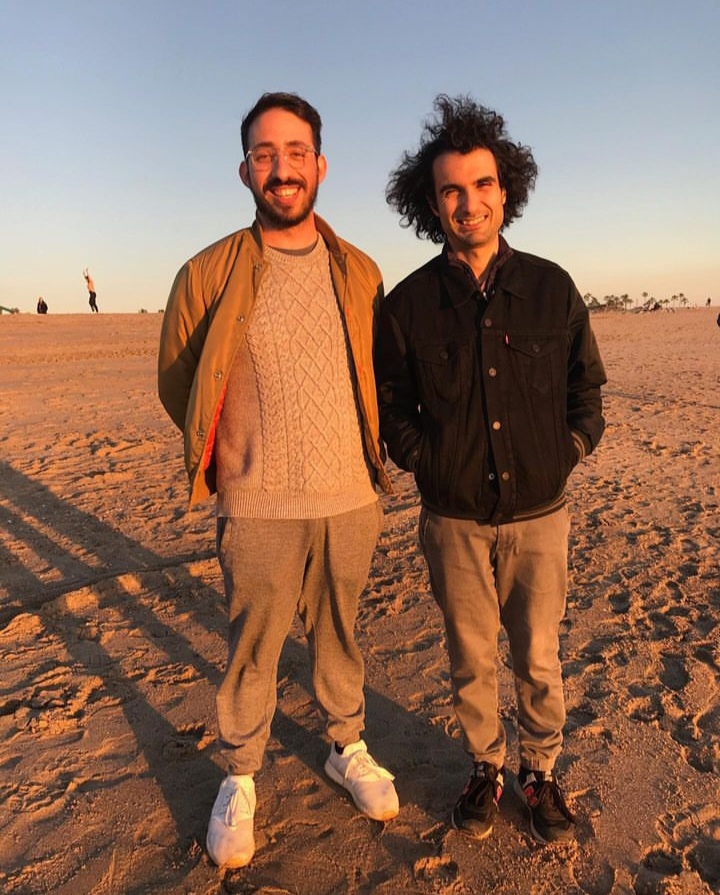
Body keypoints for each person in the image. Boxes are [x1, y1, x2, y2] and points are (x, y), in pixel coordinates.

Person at [158, 92, 399, 869]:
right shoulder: (206, 272)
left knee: (340, 631)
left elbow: (378, 371)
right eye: (265, 154)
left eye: (296, 152)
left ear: (320, 165)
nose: (281, 168)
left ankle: (346, 745)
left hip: (350, 496)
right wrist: (231, 454)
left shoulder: (360, 270)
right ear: (245, 171)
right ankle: (240, 774)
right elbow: (179, 378)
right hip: (257, 501)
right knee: (253, 643)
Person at [375, 95, 606, 845]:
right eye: (450, 189)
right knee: (471, 658)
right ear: (430, 202)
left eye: (482, 185)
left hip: (541, 516)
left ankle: (540, 771)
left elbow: (586, 392)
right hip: (453, 521)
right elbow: (390, 405)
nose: (467, 203)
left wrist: (566, 452)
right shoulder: (408, 305)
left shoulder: (551, 287)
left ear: (506, 192)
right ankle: (486, 766)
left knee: (539, 656)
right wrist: (428, 462)